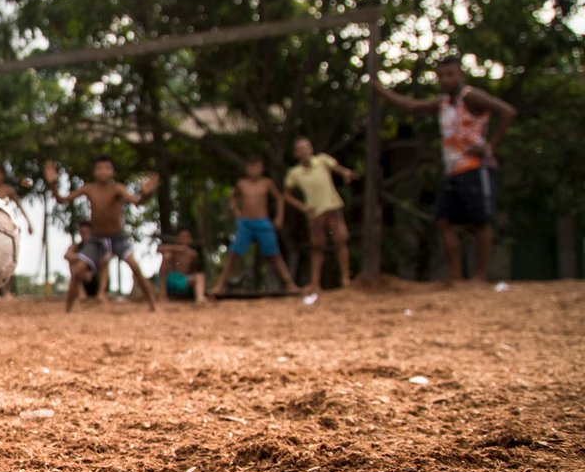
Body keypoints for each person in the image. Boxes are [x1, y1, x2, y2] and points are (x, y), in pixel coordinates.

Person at [375, 56, 517, 283]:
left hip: (475, 167)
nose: (445, 80)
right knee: (442, 220)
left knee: (480, 221)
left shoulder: (470, 97)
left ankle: (480, 277)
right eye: (440, 76)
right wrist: (381, 91)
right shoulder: (443, 103)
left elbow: (507, 112)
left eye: (450, 74)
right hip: (453, 170)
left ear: (460, 75)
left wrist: (490, 145)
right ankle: (456, 275)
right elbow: (413, 106)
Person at [44, 156, 159, 312]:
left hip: (118, 237)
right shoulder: (89, 188)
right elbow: (62, 199)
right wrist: (52, 185)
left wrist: (145, 194)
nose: (103, 171)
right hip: (96, 239)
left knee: (135, 267)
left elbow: (136, 202)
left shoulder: (117, 188)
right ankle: (68, 309)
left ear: (112, 171)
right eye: (99, 168)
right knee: (78, 271)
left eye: (107, 168)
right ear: (94, 172)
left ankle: (153, 304)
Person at [210, 158, 298, 297]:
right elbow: (232, 198)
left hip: (263, 222)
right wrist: (236, 212)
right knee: (234, 253)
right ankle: (220, 285)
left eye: (257, 166)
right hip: (245, 223)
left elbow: (279, 198)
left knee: (274, 253)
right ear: (246, 169)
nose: (254, 170)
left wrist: (279, 218)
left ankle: (289, 284)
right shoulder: (242, 184)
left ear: (262, 168)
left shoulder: (267, 183)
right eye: (251, 167)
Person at [282, 137, 359, 293]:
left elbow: (339, 169)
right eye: (301, 148)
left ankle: (345, 279)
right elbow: (287, 195)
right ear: (296, 153)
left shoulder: (323, 160)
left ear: (312, 148)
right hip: (314, 212)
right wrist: (303, 207)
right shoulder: (295, 173)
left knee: (340, 240)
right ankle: (315, 283)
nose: (305, 150)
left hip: (332, 206)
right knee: (317, 245)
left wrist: (346, 173)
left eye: (307, 147)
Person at [0, 163, 35, 236]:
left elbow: (19, 206)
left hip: (4, 221)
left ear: (3, 175)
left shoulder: (8, 190)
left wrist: (28, 223)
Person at [159, 229, 207, 305]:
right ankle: (162, 295)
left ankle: (200, 298)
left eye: (187, 237)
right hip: (171, 279)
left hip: (184, 280)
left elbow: (193, 270)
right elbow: (159, 249)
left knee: (200, 276)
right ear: (177, 238)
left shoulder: (193, 254)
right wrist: (178, 249)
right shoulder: (172, 251)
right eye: (182, 236)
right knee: (167, 256)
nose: (184, 239)